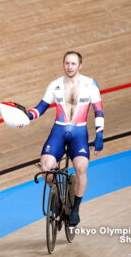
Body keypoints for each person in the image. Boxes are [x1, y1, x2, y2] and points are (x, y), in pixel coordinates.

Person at [15, 51, 103, 226]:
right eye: (67, 63)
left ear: (80, 66)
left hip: (79, 132)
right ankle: (57, 198)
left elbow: (98, 111)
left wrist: (99, 133)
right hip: (59, 131)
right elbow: (41, 107)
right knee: (46, 168)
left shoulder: (90, 84)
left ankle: (75, 209)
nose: (70, 67)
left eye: (73, 64)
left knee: (81, 169)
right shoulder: (54, 85)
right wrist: (28, 116)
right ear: (63, 64)